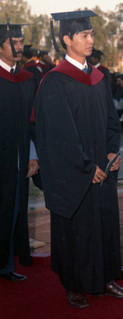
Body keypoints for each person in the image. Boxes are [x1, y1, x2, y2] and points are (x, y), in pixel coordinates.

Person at [33, 10, 123, 309]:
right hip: (75, 173)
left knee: (103, 224)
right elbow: (57, 135)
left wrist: (112, 152)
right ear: (67, 39)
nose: (91, 40)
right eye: (84, 35)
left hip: (101, 167)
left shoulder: (99, 78)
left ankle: (105, 278)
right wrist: (85, 167)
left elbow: (110, 123)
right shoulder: (55, 82)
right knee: (77, 227)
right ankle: (74, 285)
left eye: (92, 35)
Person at [0, 22, 39, 281]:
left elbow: (33, 122)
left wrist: (33, 154)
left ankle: (6, 266)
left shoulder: (27, 80)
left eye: (20, 41)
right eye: (12, 42)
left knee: (12, 208)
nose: (18, 46)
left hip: (18, 155)